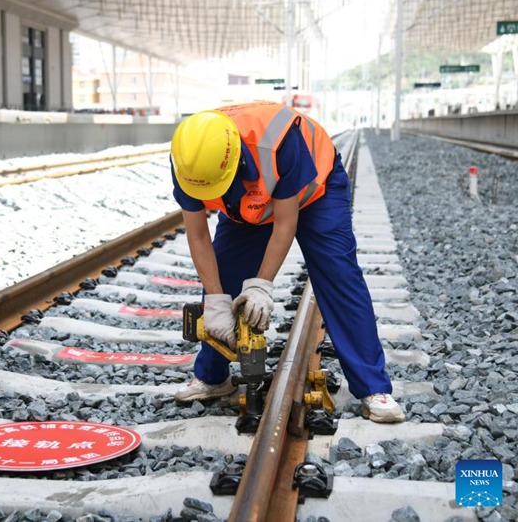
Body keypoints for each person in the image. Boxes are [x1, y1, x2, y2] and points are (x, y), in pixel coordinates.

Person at [169, 101, 405, 424]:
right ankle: (212, 377)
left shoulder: (279, 142)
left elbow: (284, 224)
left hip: (315, 193)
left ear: (235, 162)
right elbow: (198, 237)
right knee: (221, 278)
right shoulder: (188, 161)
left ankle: (373, 388)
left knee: (338, 275)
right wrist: (214, 300)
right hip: (245, 203)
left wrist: (261, 286)